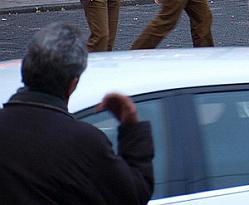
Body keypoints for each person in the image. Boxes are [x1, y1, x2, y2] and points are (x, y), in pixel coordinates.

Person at [0, 22, 154, 204]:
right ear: (73, 84)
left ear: (25, 68)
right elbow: (134, 195)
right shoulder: (86, 143)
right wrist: (132, 126)